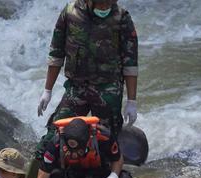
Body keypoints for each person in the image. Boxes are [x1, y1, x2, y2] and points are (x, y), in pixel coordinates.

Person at [38, 0, 139, 141]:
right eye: (101, 3)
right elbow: (56, 53)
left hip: (108, 89)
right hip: (76, 87)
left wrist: (131, 102)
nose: (105, 7)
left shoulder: (121, 17)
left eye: (109, 3)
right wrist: (47, 91)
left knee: (109, 141)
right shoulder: (70, 13)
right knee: (55, 134)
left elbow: (131, 62)